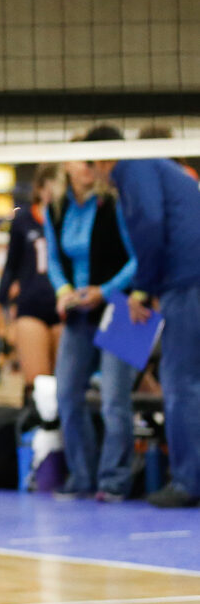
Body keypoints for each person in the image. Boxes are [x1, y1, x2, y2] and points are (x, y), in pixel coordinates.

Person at [93, 127, 200, 508]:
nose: (94, 175)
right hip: (178, 282)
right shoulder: (155, 168)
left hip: (185, 283)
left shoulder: (133, 168)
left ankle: (188, 482)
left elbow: (150, 226)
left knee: (180, 382)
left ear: (102, 159)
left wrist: (141, 288)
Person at [44, 139, 138, 501]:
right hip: (79, 312)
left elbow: (138, 258)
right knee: (67, 394)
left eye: (92, 160)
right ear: (66, 166)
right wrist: (63, 290)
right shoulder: (55, 207)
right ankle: (82, 478)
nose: (87, 166)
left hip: (127, 309)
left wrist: (106, 289)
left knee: (116, 399)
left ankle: (114, 482)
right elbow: (53, 259)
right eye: (81, 160)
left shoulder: (116, 203)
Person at [0, 163, 62, 398]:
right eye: (50, 188)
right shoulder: (23, 219)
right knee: (38, 385)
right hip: (31, 305)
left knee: (62, 383)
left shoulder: (68, 217)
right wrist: (1, 303)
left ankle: (62, 432)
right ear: (40, 189)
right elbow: (11, 265)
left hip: (63, 305)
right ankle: (33, 430)